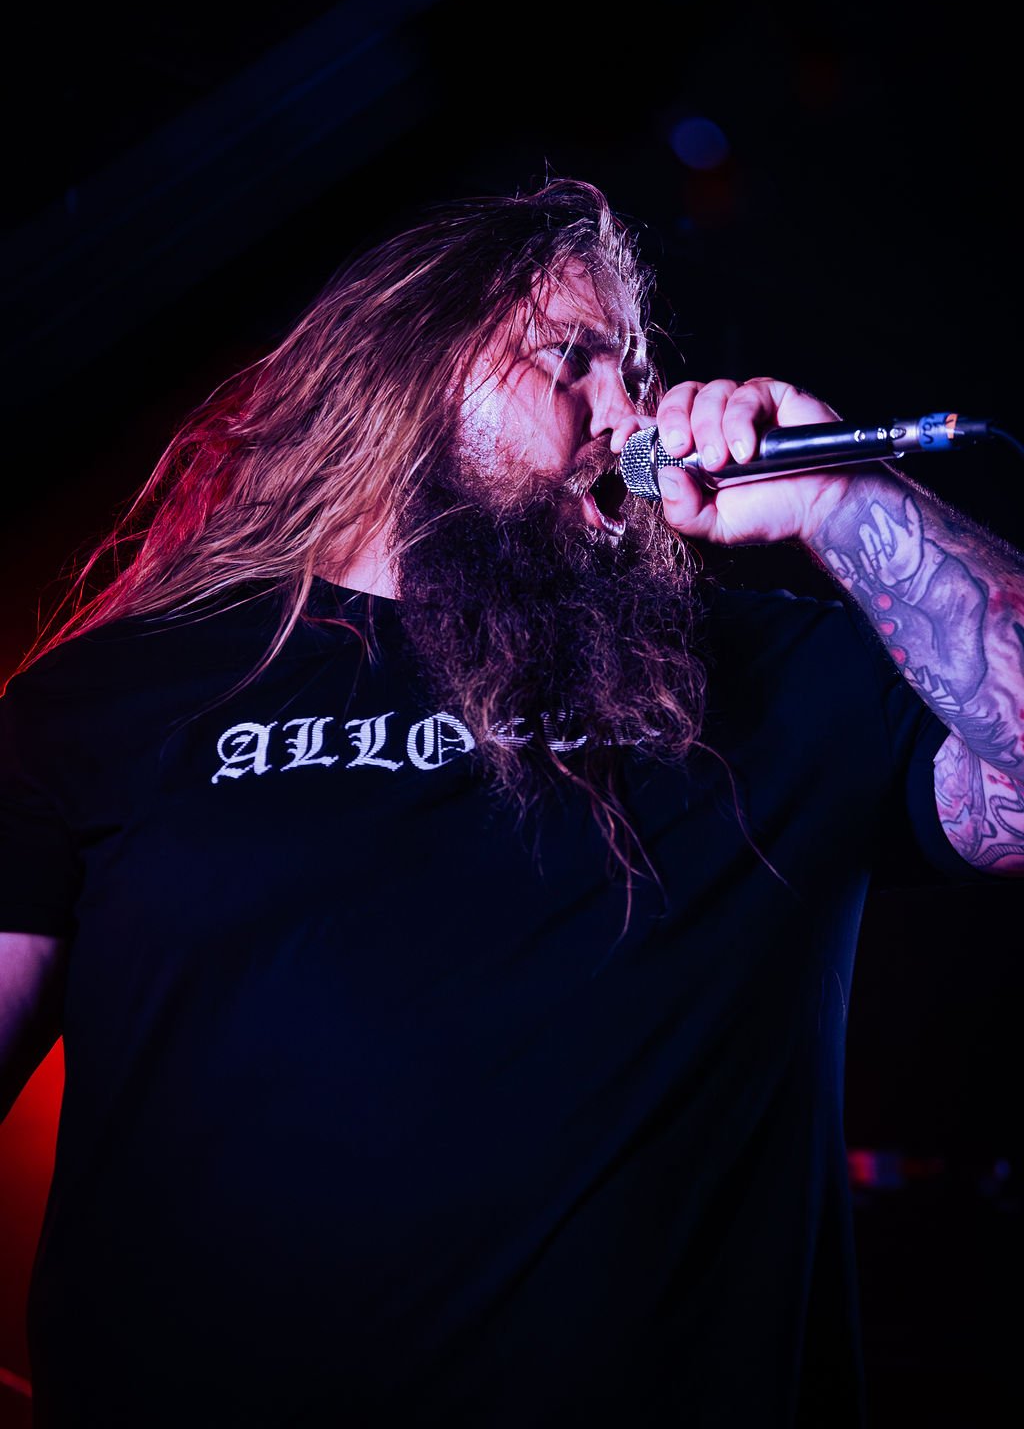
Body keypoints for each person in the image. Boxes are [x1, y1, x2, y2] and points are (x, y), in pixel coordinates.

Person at [1, 177, 1021, 1428]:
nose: (627, 412)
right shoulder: (119, 696)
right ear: (405, 368)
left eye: (635, 371)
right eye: (573, 359)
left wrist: (843, 500)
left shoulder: (760, 675)